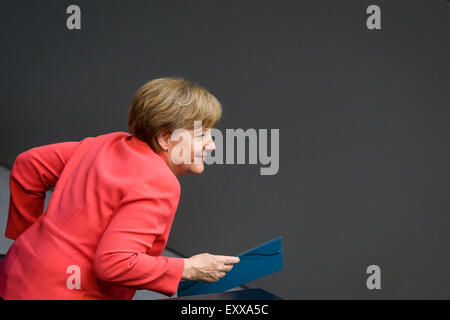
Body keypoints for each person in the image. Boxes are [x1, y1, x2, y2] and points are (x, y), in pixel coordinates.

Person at [0, 77, 240, 299]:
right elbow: (114, 263)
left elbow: (29, 164)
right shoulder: (160, 183)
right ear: (166, 138)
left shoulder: (106, 143)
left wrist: (28, 237)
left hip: (15, 275)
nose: (212, 146)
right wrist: (187, 267)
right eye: (201, 135)